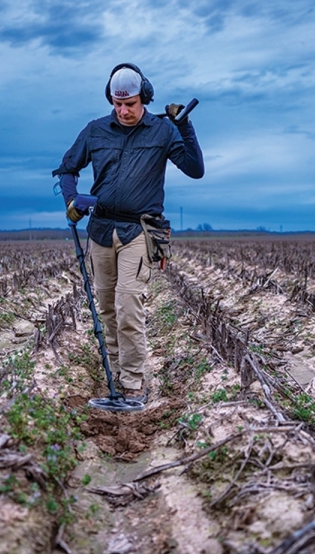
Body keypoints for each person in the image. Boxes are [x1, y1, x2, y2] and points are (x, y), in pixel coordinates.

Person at [52, 63, 204, 403]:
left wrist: (185, 126)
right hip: (101, 229)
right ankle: (117, 378)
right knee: (107, 307)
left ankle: (133, 384)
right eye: (118, 104)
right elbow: (67, 168)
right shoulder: (95, 131)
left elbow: (195, 170)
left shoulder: (163, 132)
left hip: (140, 230)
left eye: (131, 104)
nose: (123, 111)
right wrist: (71, 199)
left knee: (128, 305)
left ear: (144, 98)